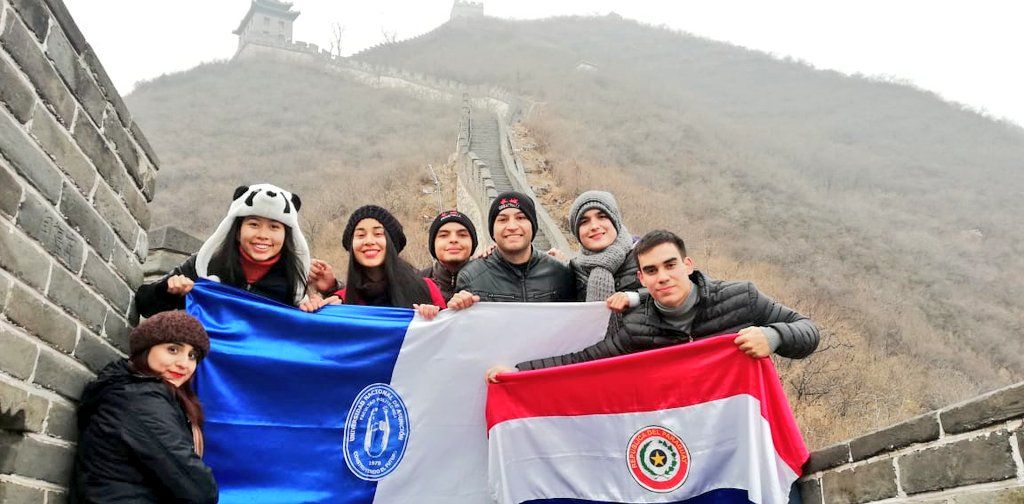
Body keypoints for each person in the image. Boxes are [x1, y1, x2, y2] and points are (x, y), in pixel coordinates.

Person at [489, 229, 820, 378]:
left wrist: (773, 337)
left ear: (687, 264)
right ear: (642, 279)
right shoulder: (637, 325)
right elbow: (582, 361)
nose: (662, 276)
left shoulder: (740, 297)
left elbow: (807, 331)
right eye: (651, 270)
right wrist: (516, 373)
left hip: (740, 427)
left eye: (670, 265)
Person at [72, 311, 218, 503]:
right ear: (146, 349)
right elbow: (198, 489)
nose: (184, 364)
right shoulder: (139, 398)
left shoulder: (149, 393)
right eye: (173, 350)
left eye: (192, 356)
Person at [135, 184, 312, 316]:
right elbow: (144, 304)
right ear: (236, 231)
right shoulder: (206, 264)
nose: (263, 235)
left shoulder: (294, 279)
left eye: (274, 227)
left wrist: (314, 308)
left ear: (286, 236)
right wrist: (167, 290)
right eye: (254, 224)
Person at [448, 191, 574, 309]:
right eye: (502, 220)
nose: (512, 227)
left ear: (533, 226)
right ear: (493, 231)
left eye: (521, 218)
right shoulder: (471, 277)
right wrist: (457, 307)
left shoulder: (560, 273)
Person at [318, 205, 446, 318]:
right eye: (360, 235)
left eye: (378, 234)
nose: (369, 241)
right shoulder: (341, 301)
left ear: (392, 243)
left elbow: (448, 335)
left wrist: (436, 316)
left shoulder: (426, 288)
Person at [564, 190, 642, 311]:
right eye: (584, 221)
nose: (594, 226)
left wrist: (633, 298)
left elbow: (675, 294)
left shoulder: (644, 258)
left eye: (602, 217)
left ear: (615, 221)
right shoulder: (572, 271)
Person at [419, 210, 478, 302]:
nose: (453, 240)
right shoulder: (417, 283)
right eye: (444, 235)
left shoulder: (487, 280)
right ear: (433, 244)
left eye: (462, 235)